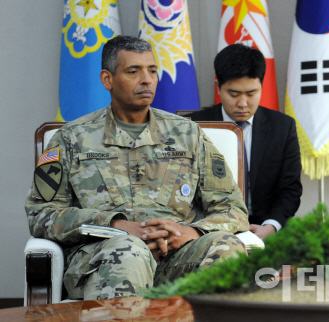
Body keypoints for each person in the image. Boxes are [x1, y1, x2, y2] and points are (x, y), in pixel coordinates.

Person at [25, 36, 249, 300]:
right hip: (105, 256)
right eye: (134, 71)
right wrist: (115, 225)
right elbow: (41, 213)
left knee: (228, 248)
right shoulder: (71, 138)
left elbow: (232, 208)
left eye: (152, 71)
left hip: (174, 257)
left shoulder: (188, 134)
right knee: (129, 250)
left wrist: (191, 232)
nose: (147, 80)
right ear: (107, 79)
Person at [185, 44, 302, 239]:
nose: (243, 103)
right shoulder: (193, 126)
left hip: (264, 226)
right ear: (218, 87)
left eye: (251, 93)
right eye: (234, 94)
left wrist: (270, 227)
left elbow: (290, 191)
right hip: (206, 230)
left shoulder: (282, 127)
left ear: (262, 87)